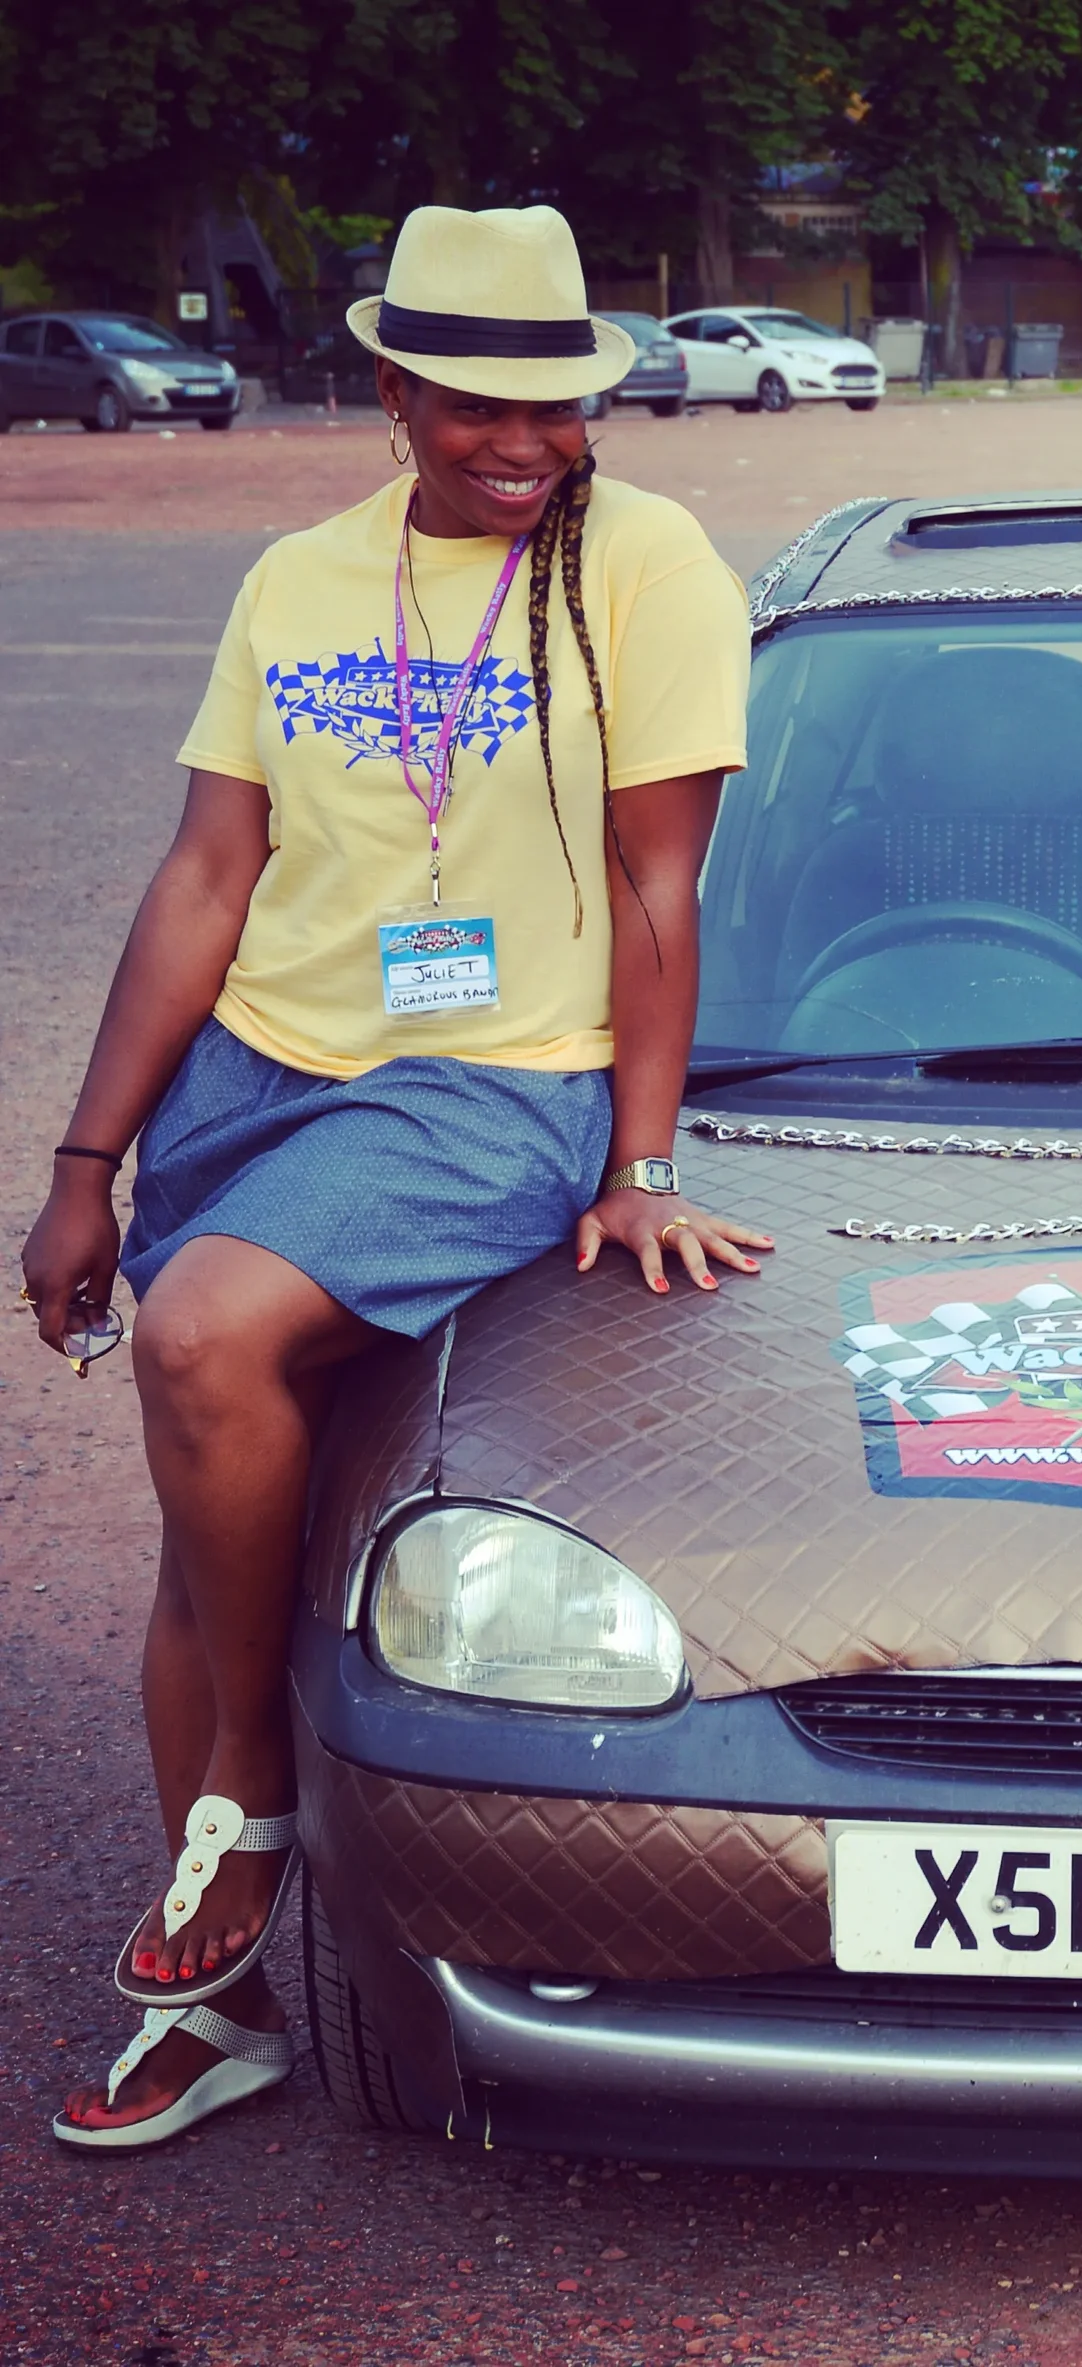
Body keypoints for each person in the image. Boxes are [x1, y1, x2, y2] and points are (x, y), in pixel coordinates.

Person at [22, 205, 769, 2148]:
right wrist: (90, 1155)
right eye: (474, 403)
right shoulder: (297, 579)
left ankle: (256, 1789)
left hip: (489, 1078)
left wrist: (643, 1151)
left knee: (200, 1340)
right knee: (205, 1549)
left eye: (556, 402)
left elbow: (654, 886)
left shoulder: (648, 564)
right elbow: (208, 877)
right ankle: (229, 2007)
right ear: (393, 389)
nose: (522, 441)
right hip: (259, 1075)